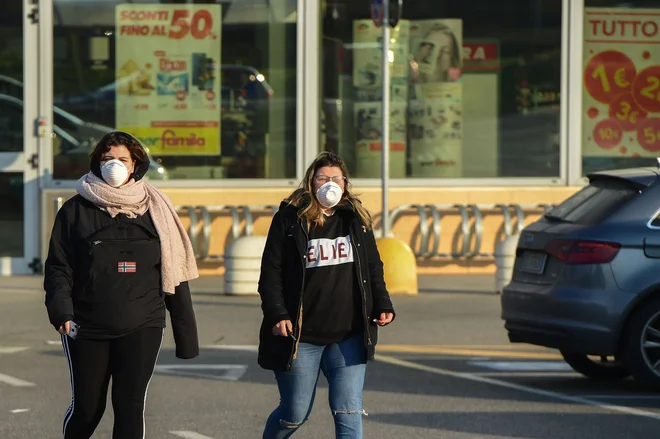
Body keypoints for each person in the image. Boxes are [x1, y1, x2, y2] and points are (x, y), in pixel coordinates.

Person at [44, 131, 200, 439]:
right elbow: (59, 268)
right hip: (87, 325)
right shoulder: (75, 211)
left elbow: (173, 273)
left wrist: (186, 337)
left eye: (122, 159)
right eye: (107, 159)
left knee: (129, 406)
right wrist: (61, 311)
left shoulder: (156, 210)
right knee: (88, 409)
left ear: (136, 165)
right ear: (96, 163)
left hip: (143, 323)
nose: (114, 165)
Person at [257, 151, 396, 439]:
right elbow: (271, 272)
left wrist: (382, 303)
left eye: (335, 178)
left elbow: (373, 266)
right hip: (301, 337)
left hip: (349, 335)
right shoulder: (290, 219)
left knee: (349, 413)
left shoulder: (356, 219)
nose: (329, 184)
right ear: (311, 182)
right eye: (323, 178)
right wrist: (278, 314)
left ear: (345, 183)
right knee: (294, 414)